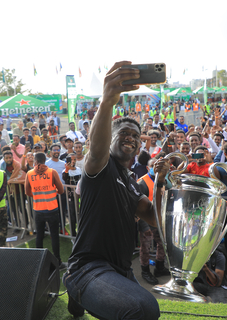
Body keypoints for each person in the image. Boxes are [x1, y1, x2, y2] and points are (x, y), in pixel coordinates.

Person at [63, 61, 165, 319]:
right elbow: (96, 149)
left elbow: (154, 216)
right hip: (89, 266)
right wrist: (107, 100)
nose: (131, 137)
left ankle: (78, 299)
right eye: (124, 133)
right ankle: (75, 286)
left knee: (145, 307)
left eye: (136, 135)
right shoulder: (101, 165)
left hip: (120, 269)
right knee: (143, 309)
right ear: (111, 136)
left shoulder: (131, 180)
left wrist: (161, 180)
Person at [25, 152, 67, 269]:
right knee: (54, 236)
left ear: (36, 161)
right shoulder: (51, 172)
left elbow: (28, 192)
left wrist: (38, 195)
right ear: (45, 160)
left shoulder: (29, 173)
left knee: (39, 235)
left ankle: (40, 262)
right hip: (52, 209)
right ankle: (58, 262)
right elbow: (61, 190)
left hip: (38, 209)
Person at [137, 157, 169, 285]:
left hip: (159, 219)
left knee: (162, 244)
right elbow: (139, 207)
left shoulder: (163, 180)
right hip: (146, 221)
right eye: (154, 166)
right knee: (145, 247)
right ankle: (145, 271)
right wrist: (144, 227)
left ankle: (159, 268)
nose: (157, 169)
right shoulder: (142, 183)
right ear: (148, 167)